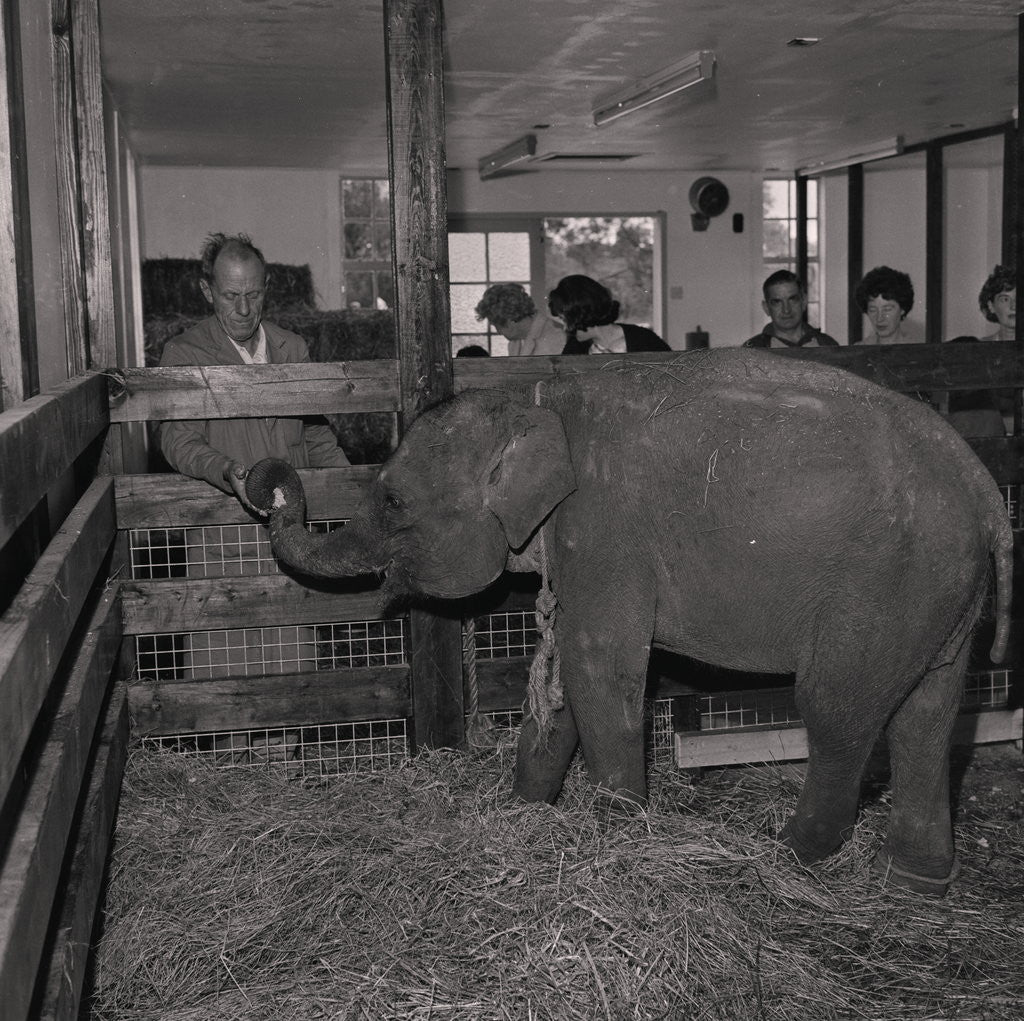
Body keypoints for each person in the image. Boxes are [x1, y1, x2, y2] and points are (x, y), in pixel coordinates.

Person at [158, 233, 350, 715]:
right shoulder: (184, 355)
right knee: (225, 665)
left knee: (291, 663)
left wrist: (355, 493)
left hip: (288, 536)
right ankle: (227, 761)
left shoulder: (293, 349)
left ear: (267, 289)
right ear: (207, 291)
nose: (244, 309)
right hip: (223, 536)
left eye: (254, 294)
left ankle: (283, 763)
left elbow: (316, 433)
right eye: (230, 295)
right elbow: (177, 439)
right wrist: (228, 472)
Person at [944, 265, 1018, 438]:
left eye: (1019, 298)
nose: (1013, 306)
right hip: (983, 436)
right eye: (1004, 299)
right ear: (991, 306)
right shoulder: (977, 349)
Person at [547, 274, 670, 354]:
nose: (565, 328)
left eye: (564, 320)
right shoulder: (575, 348)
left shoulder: (644, 340)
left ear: (581, 314)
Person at [743, 270, 839, 348]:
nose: (786, 310)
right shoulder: (752, 351)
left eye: (792, 299)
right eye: (777, 302)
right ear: (766, 308)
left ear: (804, 302)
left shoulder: (828, 345)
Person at [474, 283, 565, 356]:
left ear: (510, 319)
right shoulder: (514, 344)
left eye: (497, 326)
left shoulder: (557, 336)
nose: (499, 332)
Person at [854, 266, 916, 344]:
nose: (879, 318)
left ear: (902, 309)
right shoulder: (857, 350)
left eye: (887, 309)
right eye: (873, 310)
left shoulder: (918, 351)